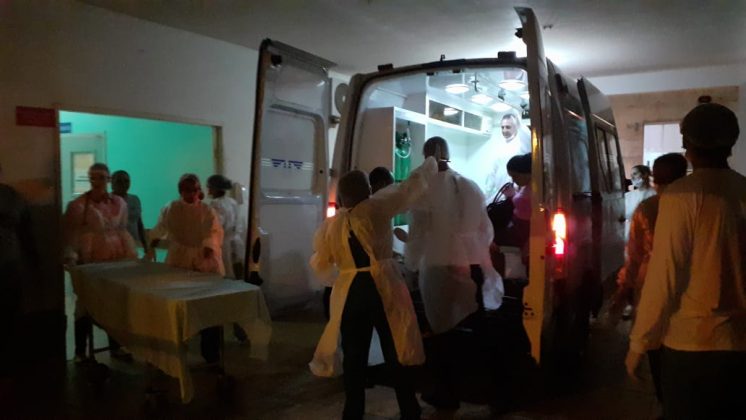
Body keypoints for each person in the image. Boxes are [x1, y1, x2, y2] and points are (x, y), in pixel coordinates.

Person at [626, 103, 746, 420]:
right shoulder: (742, 190)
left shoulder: (681, 196)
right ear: (731, 143)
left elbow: (665, 275)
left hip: (693, 345)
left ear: (686, 144)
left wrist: (640, 341)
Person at [308, 157, 438, 420]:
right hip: (382, 287)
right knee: (396, 348)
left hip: (350, 292)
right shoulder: (375, 208)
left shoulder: (331, 226)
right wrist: (432, 162)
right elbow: (409, 188)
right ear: (367, 190)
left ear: (342, 197)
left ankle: (353, 412)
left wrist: (339, 280)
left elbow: (320, 263)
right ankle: (409, 409)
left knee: (354, 356)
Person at [405, 136, 504, 410]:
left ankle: (446, 393)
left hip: (438, 266)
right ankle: (494, 391)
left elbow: (418, 233)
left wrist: (410, 263)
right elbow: (486, 230)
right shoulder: (469, 185)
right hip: (472, 265)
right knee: (480, 328)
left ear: (425, 156)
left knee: (442, 333)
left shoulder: (425, 189)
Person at [610, 152, 688, 406]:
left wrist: (623, 290)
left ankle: (667, 404)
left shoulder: (650, 208)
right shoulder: (702, 204)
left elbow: (634, 258)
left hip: (652, 291)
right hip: (691, 297)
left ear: (653, 178)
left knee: (656, 350)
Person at [63, 163, 137, 362]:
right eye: (93, 177)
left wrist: (130, 255)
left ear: (108, 179)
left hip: (115, 259)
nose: (97, 182)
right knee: (85, 305)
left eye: (102, 177)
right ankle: (80, 351)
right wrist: (72, 257)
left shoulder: (119, 203)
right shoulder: (79, 206)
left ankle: (116, 345)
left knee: (115, 303)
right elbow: (71, 235)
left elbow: (122, 229)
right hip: (91, 261)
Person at [147, 173, 224, 363]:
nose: (192, 194)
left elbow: (213, 231)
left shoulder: (207, 210)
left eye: (195, 190)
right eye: (188, 190)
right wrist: (153, 239)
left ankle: (210, 351)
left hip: (202, 261)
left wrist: (209, 246)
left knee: (207, 305)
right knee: (179, 304)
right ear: (181, 191)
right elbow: (161, 226)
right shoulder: (172, 208)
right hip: (179, 260)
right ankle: (177, 345)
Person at [0, 164, 37, 373]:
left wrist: (34, 264)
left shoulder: (13, 197)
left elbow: (26, 233)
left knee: (10, 313)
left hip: (9, 266)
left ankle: (9, 364)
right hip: (10, 264)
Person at [206, 174, 245, 280]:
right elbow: (239, 223)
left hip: (223, 244)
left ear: (215, 189)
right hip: (236, 241)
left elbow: (216, 226)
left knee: (225, 274)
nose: (208, 190)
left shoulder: (215, 204)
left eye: (209, 187)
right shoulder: (232, 202)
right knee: (237, 274)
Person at [484, 113, 531, 199]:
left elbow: (527, 137)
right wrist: (487, 192)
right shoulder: (499, 146)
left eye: (508, 127)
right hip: (500, 194)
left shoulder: (521, 146)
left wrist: (517, 116)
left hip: (515, 194)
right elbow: (492, 172)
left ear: (516, 127)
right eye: (502, 127)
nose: (504, 130)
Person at [111, 170, 148, 256]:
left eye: (126, 181)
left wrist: (146, 245)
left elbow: (139, 224)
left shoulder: (135, 199)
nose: (123, 184)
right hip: (114, 247)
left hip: (134, 245)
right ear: (112, 183)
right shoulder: (107, 201)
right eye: (119, 181)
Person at [624, 164, 655, 238]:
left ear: (645, 174)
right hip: (630, 233)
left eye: (635, 174)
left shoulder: (655, 194)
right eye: (631, 175)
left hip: (650, 234)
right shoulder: (628, 196)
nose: (632, 177)